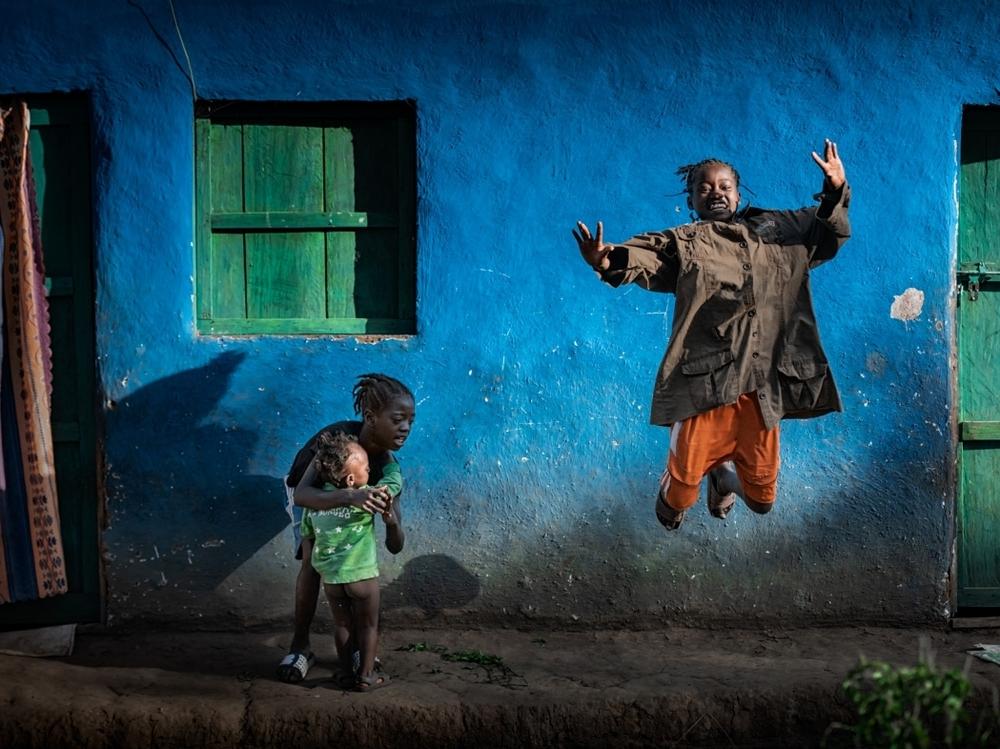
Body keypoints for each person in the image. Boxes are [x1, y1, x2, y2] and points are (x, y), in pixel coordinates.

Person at [573, 140, 850, 529]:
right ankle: (681, 492)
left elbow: (827, 232)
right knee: (676, 504)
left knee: (762, 501)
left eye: (724, 186)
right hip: (707, 386)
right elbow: (643, 258)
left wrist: (837, 189)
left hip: (761, 386)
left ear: (738, 193)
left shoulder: (781, 230)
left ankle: (723, 479)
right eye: (704, 188)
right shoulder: (683, 243)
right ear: (692, 201)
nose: (716, 192)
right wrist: (607, 259)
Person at [275, 373, 415, 683]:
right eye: (397, 419)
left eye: (410, 420)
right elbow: (303, 494)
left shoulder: (386, 471)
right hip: (307, 489)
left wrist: (390, 520)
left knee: (352, 569)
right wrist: (351, 496)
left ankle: (355, 650)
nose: (406, 427)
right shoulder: (336, 444)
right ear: (370, 417)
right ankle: (300, 647)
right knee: (312, 562)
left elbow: (395, 545)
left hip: (345, 494)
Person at [299, 431, 404, 691]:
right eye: (367, 467)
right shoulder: (367, 496)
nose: (371, 470)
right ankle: (366, 676)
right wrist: (388, 457)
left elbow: (307, 536)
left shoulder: (314, 505)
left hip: (333, 580)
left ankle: (346, 673)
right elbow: (394, 480)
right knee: (368, 625)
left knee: (342, 624)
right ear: (350, 479)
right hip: (362, 577)